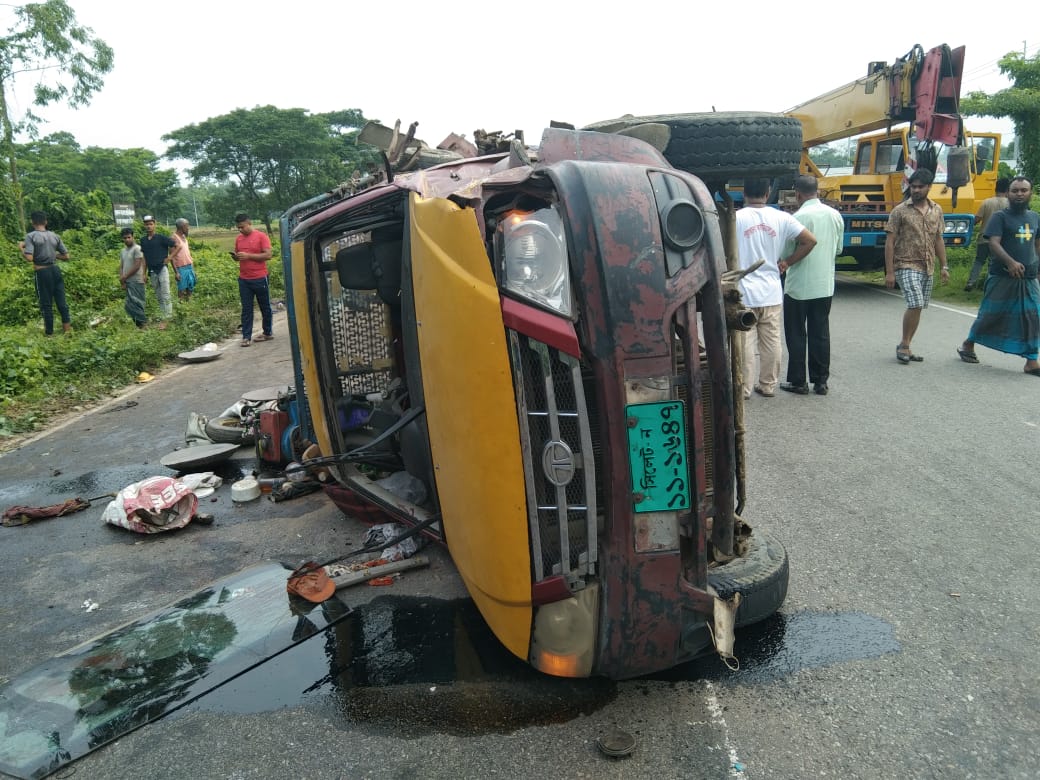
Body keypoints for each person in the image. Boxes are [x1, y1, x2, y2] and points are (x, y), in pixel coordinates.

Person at [736, 178, 816, 398]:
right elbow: (810, 240)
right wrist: (787, 262)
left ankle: (744, 388)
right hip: (771, 291)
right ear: (768, 192)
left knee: (745, 341)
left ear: (744, 193)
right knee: (771, 340)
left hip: (743, 291)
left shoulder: (735, 218)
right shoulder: (782, 218)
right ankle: (768, 385)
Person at [957, 176, 1040, 376]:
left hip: (1028, 277)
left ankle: (1031, 361)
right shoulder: (1000, 217)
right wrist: (1010, 262)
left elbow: (1037, 244)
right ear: (1008, 193)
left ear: (1030, 193)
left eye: (1023, 190)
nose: (1019, 194)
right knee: (991, 315)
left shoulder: (1035, 217)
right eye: (1015, 190)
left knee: (1034, 316)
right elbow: (994, 243)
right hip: (1002, 275)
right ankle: (968, 344)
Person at [780, 175, 845, 396]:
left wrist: (786, 262)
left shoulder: (798, 217)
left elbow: (786, 253)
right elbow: (838, 250)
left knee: (796, 332)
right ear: (816, 191)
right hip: (824, 285)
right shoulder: (835, 215)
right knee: (820, 332)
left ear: (797, 194)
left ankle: (798, 381)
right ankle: (820, 381)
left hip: (798, 286)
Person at [884, 168, 949, 363]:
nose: (916, 190)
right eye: (913, 186)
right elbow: (890, 241)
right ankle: (904, 344)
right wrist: (890, 272)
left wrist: (944, 266)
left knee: (919, 307)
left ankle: (907, 345)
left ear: (929, 187)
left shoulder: (936, 210)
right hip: (905, 263)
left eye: (920, 187)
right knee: (915, 303)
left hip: (927, 266)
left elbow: (938, 239)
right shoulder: (900, 211)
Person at [21, 210, 72, 335]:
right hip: (55, 270)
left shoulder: (31, 236)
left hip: (42, 272)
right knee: (62, 302)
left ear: (32, 222)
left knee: (46, 304)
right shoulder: (54, 236)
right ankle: (68, 331)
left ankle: (49, 335)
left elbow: (29, 258)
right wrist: (54, 255)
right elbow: (66, 256)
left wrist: (21, 249)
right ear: (46, 222)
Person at [233, 212, 274, 346]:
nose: (240, 229)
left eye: (242, 227)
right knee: (246, 308)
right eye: (238, 227)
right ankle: (246, 337)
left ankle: (267, 332)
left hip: (259, 277)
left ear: (249, 224)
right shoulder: (239, 239)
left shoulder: (261, 236)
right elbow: (240, 255)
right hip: (244, 279)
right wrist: (236, 257)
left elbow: (268, 255)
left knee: (265, 306)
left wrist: (249, 256)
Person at [965, 178, 1010, 291]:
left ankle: (971, 283)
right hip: (1000, 241)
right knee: (993, 263)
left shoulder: (986, 202)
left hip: (983, 238)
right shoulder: (1009, 204)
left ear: (995, 188)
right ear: (1007, 189)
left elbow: (977, 220)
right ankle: (990, 285)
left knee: (979, 261)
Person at [139, 215, 176, 329]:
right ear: (144, 225)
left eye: (151, 224)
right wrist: (143, 273)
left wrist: (170, 257)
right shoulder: (143, 240)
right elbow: (144, 258)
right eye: (146, 224)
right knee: (159, 296)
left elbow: (177, 245)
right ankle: (163, 315)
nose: (149, 226)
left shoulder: (161, 238)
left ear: (154, 224)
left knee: (166, 294)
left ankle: (167, 319)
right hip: (152, 271)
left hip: (162, 269)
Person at [118, 227, 147, 329]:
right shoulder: (123, 251)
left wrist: (124, 277)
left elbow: (137, 265)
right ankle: (140, 327)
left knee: (138, 304)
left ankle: (144, 326)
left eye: (129, 237)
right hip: (128, 282)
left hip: (137, 280)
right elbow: (121, 266)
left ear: (133, 237)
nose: (127, 240)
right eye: (125, 238)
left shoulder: (137, 249)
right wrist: (122, 280)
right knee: (129, 306)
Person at [170, 218, 197, 301]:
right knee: (181, 288)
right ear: (181, 227)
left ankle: (188, 304)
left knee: (191, 286)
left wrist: (192, 267)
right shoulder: (173, 238)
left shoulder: (184, 237)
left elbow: (187, 253)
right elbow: (171, 256)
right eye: (187, 226)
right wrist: (176, 272)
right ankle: (181, 305)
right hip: (181, 268)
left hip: (189, 266)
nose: (188, 228)